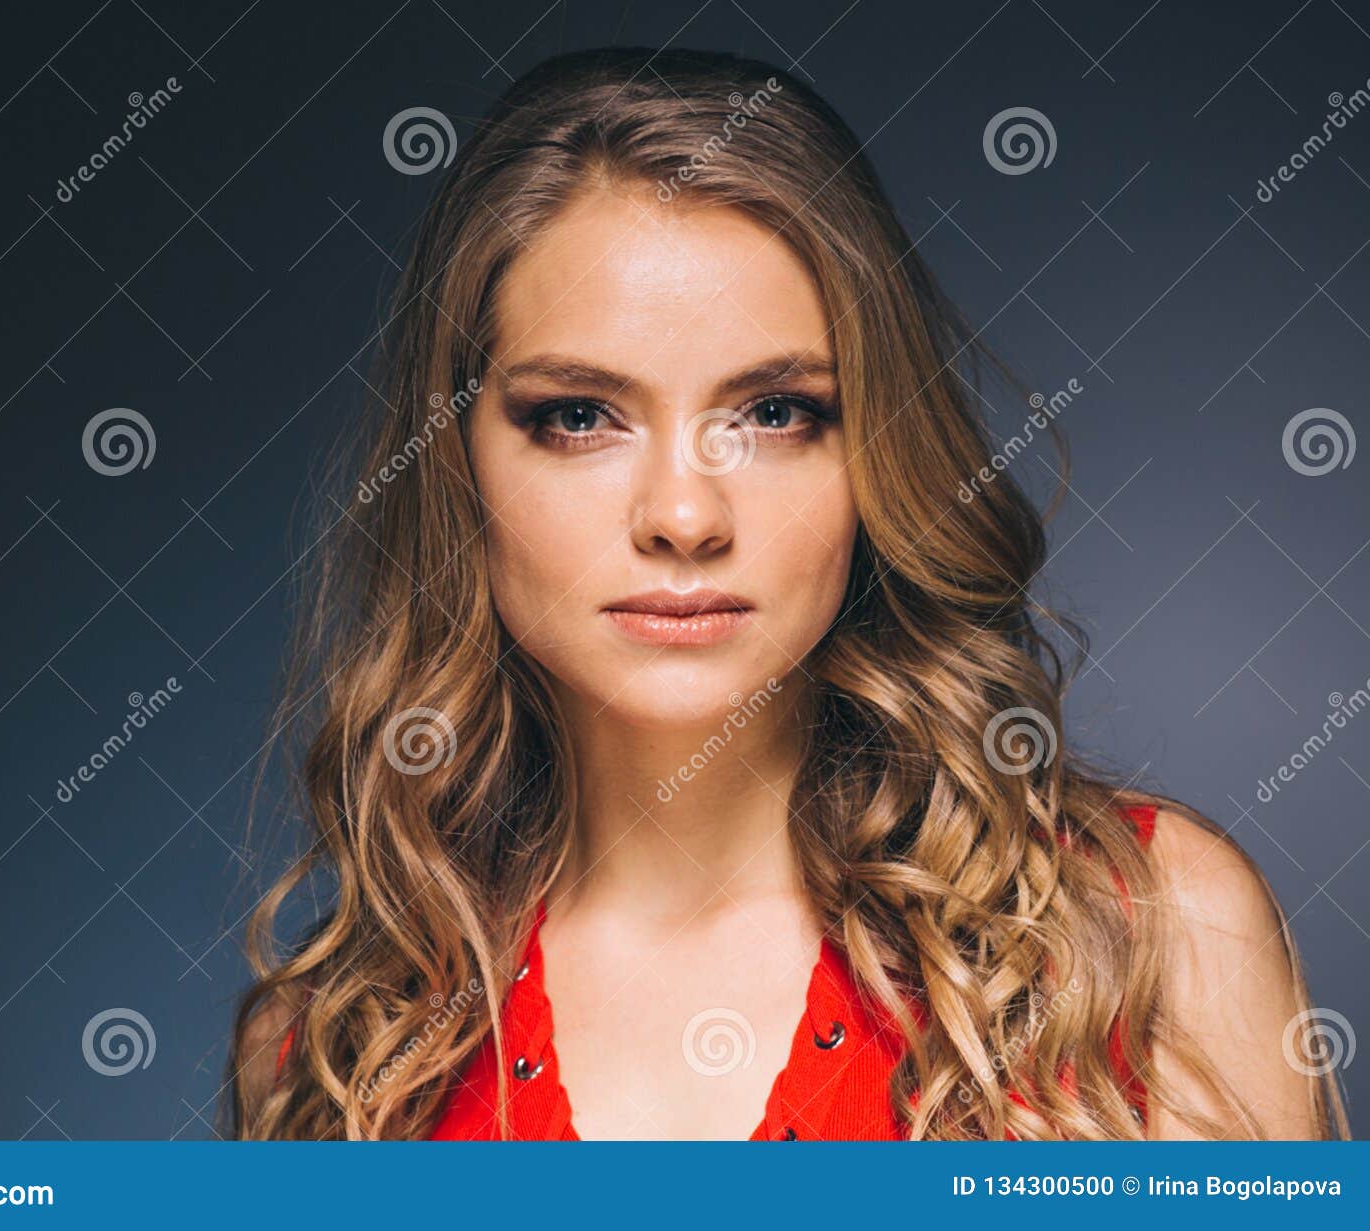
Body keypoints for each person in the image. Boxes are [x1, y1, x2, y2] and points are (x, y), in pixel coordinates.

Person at [227, 46, 1347, 1141]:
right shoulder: (329, 1053)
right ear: (456, 458)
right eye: (579, 414)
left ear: (874, 449)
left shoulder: (1147, 934)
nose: (683, 514)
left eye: (774, 413)